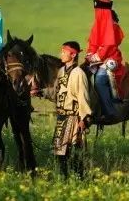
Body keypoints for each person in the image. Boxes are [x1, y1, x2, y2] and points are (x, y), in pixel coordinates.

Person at [43, 41, 92, 179]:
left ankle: (79, 181)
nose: (61, 54)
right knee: (59, 156)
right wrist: (40, 92)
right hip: (61, 119)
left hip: (73, 119)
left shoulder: (78, 73)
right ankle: (64, 181)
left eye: (64, 52)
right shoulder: (61, 71)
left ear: (73, 54)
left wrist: (84, 119)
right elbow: (56, 93)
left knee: (74, 155)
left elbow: (83, 97)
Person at [85, 0, 125, 123]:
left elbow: (109, 46)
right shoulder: (97, 25)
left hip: (111, 59)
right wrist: (90, 54)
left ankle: (110, 111)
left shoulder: (113, 26)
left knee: (100, 79)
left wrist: (96, 57)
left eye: (99, 10)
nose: (97, 13)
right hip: (98, 59)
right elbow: (92, 43)